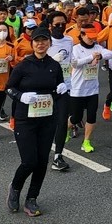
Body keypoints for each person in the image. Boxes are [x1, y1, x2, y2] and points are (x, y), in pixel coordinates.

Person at [5, 27, 67, 216]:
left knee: (41, 162)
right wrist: (21, 96)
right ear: (32, 43)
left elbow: (57, 88)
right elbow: (9, 88)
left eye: (44, 40)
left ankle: (32, 198)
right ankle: (15, 188)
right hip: (25, 120)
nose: (41, 44)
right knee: (29, 161)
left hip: (47, 119)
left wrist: (61, 89)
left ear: (49, 43)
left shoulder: (53, 65)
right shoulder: (23, 65)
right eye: (37, 41)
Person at [69, 22, 112, 153]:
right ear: (82, 35)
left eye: (94, 36)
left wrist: (100, 55)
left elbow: (111, 53)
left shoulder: (97, 47)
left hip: (93, 89)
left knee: (92, 116)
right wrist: (90, 57)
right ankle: (64, 130)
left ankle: (86, 141)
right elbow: (75, 63)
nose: (92, 39)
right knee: (76, 117)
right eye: (89, 36)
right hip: (78, 89)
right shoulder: (76, 49)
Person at [47, 11, 74, 172]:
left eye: (63, 24)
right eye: (57, 24)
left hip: (65, 86)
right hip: (47, 88)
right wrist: (51, 62)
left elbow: (70, 61)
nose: (60, 27)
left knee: (62, 120)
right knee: (47, 122)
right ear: (50, 26)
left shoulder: (69, 40)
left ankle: (58, 156)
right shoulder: (45, 41)